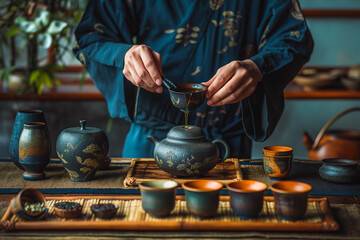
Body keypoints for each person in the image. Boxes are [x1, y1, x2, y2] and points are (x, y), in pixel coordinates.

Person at [73, 0, 313, 158]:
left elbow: (294, 39)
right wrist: (125, 54)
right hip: (153, 140)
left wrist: (256, 68)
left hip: (225, 143)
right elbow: (90, 37)